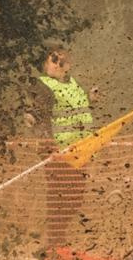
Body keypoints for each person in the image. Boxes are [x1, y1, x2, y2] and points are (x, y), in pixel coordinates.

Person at [33, 47, 94, 248]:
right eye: (52, 61)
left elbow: (75, 110)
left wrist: (90, 98)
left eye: (60, 61)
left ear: (68, 65)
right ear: (46, 64)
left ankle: (57, 240)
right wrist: (48, 144)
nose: (56, 65)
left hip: (79, 151)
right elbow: (39, 116)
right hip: (57, 152)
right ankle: (54, 243)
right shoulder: (44, 86)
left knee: (75, 198)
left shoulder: (73, 85)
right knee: (59, 197)